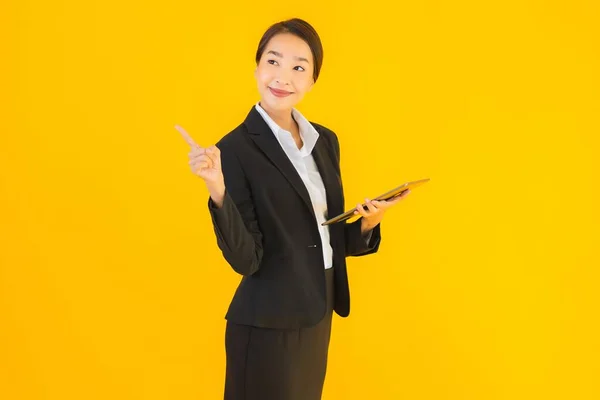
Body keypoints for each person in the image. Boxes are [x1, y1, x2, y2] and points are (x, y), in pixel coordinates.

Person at [177, 17, 410, 400]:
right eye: (273, 61)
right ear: (257, 68)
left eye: (298, 67)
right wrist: (217, 189)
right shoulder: (233, 150)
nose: (283, 77)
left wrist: (369, 223)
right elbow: (247, 260)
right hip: (267, 326)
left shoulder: (325, 142)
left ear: (313, 79)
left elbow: (320, 236)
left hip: (316, 316)